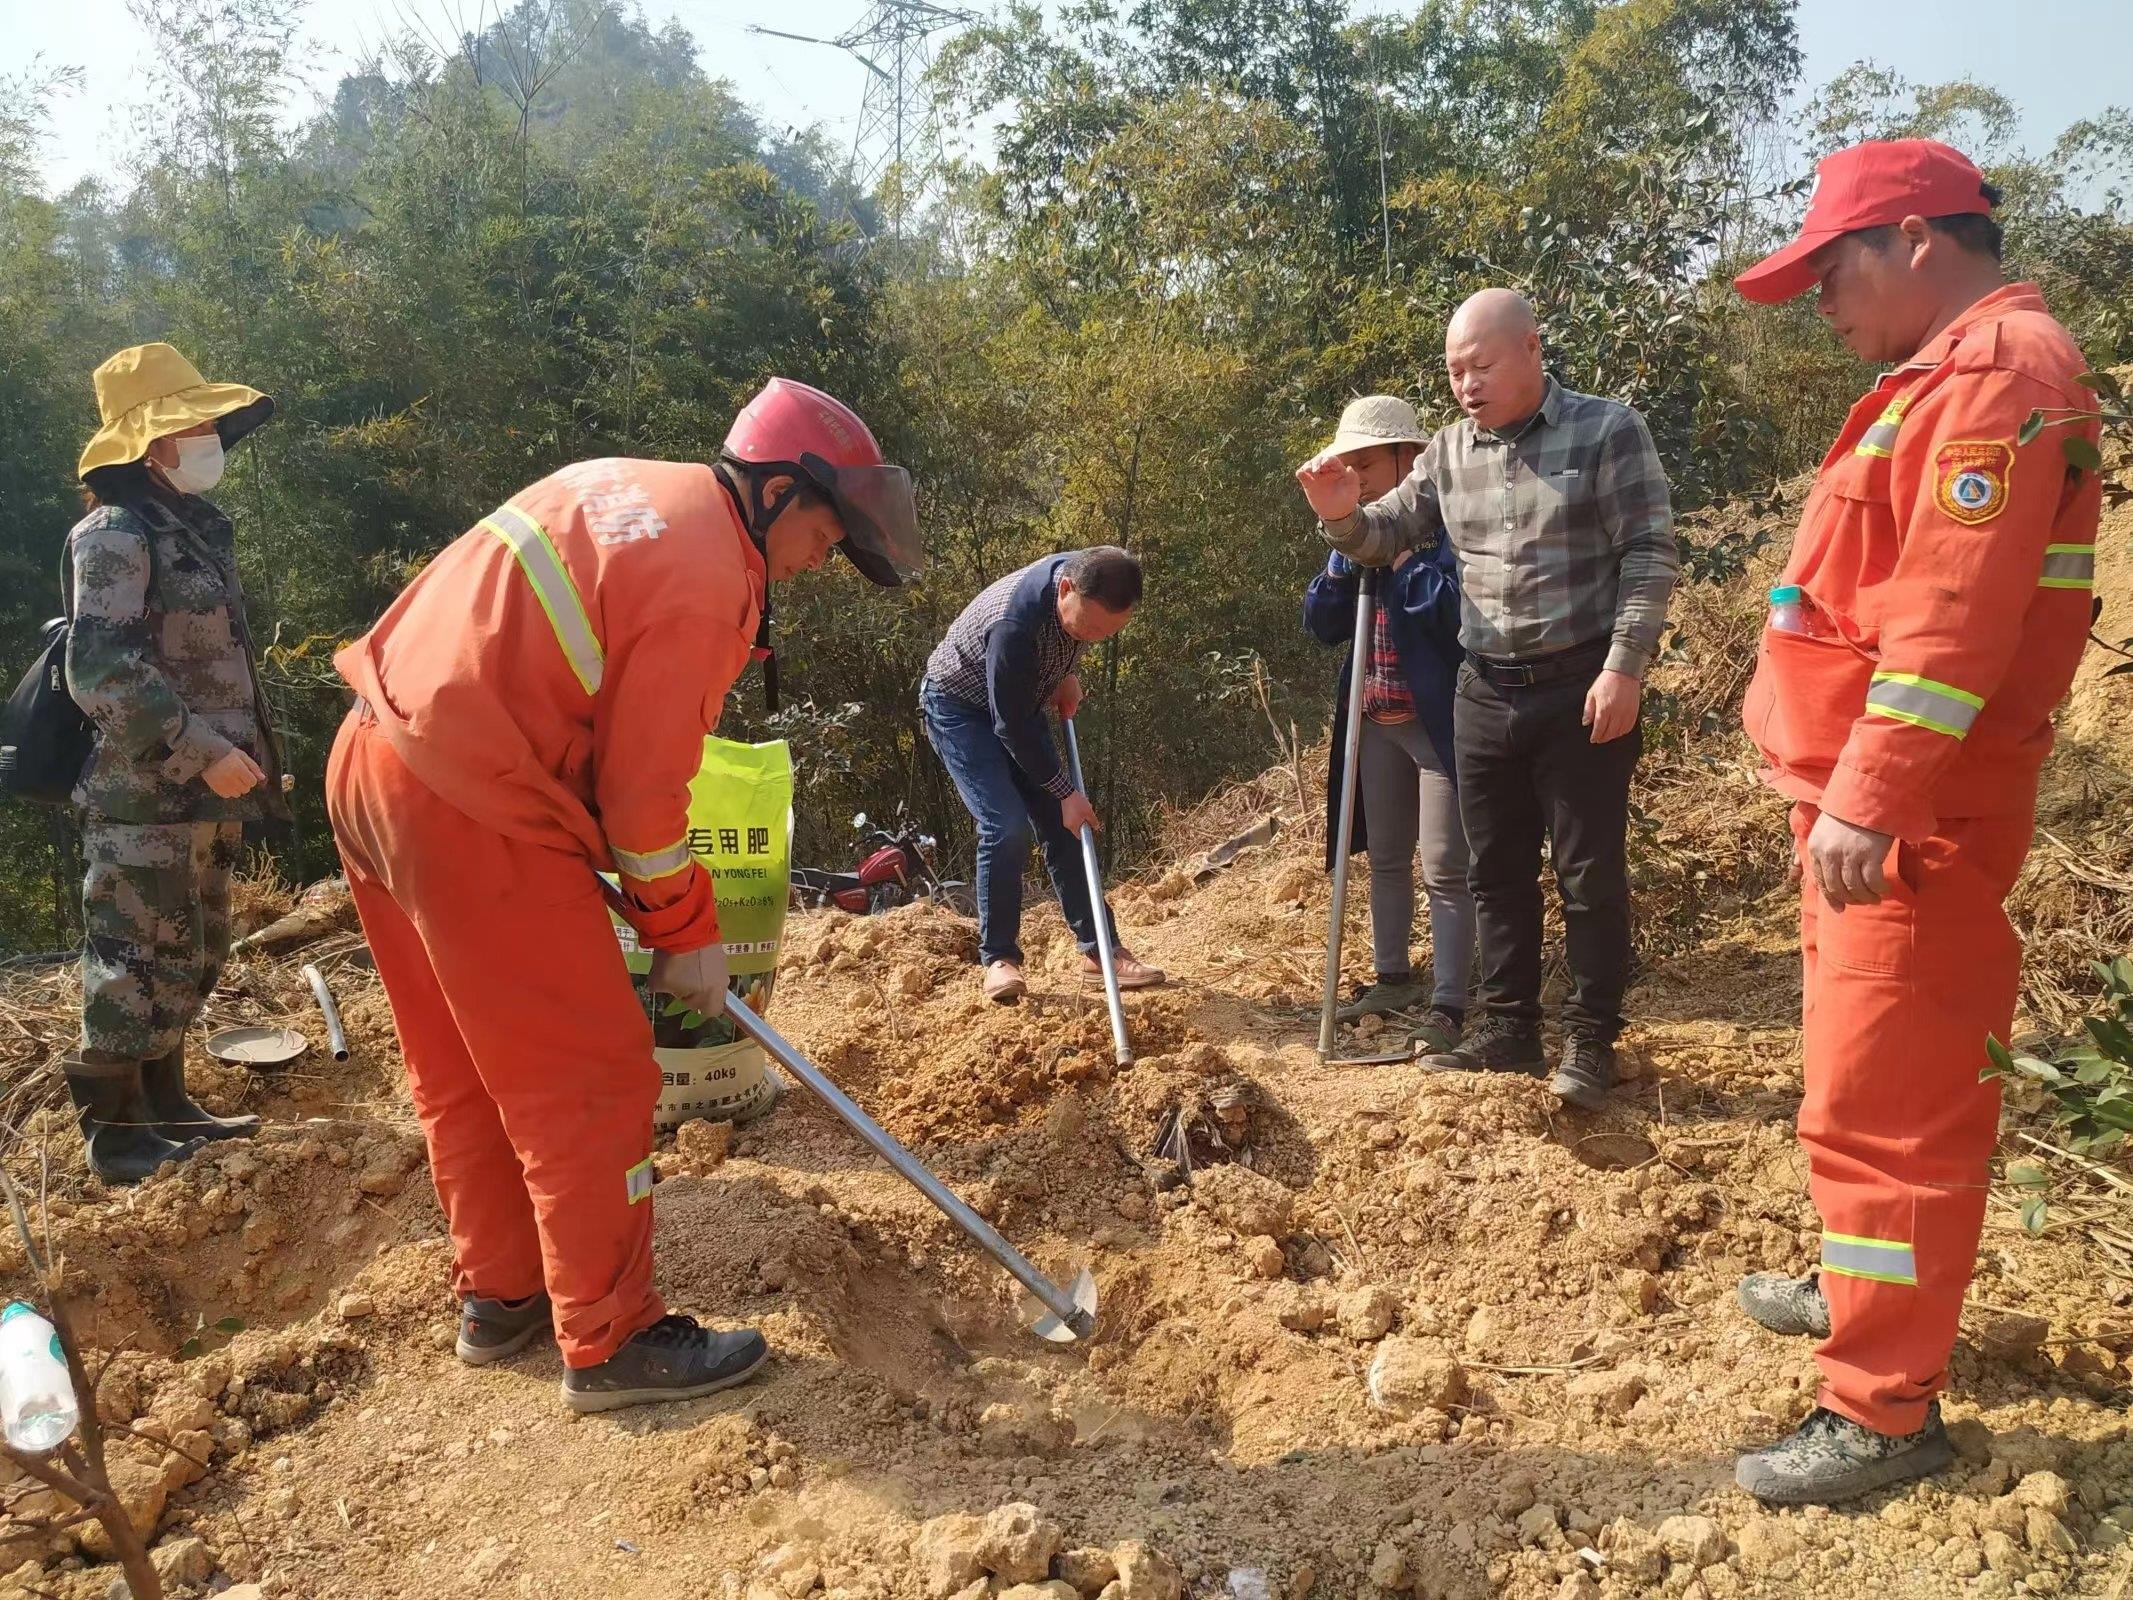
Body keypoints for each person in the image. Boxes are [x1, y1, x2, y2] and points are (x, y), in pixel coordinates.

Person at [326, 379, 920, 1413]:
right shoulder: (706, 575)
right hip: (473, 801)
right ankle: (613, 1338)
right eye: (826, 535)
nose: (822, 560)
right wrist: (688, 932)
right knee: (595, 1071)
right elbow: (644, 803)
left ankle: (503, 1295)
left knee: (465, 1071)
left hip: (374, 762)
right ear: (779, 491)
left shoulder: (630, 491)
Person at [1724, 139, 2101, 1505]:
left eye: (1835, 271)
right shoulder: (1951, 376)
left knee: (1887, 1109)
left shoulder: (1995, 380)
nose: (1822, 301)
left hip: (1910, 825)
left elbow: (1947, 625)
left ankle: (1883, 1415)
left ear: (1919, 246)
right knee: (1853, 1086)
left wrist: (1871, 798)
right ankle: (1855, 1293)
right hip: (1871, 816)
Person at [1294, 290, 1679, 1109]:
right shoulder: (1444, 452)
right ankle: (1506, 1029)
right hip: (1483, 691)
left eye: (1481, 365)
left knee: (1586, 873)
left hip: (1581, 686)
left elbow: (1648, 551)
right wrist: (1338, 517)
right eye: (1453, 370)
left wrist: (1626, 666)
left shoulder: (1606, 431)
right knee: (1494, 871)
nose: (1466, 383)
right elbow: (1383, 533)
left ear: (1533, 350)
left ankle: (1590, 1039)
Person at [63, 343, 282, 1185]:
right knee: (132, 959)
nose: (207, 436)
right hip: (146, 791)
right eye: (191, 423)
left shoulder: (184, 524)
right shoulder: (114, 532)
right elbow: (102, 669)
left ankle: (167, 1108)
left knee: (190, 950)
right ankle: (116, 1141)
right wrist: (201, 749)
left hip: (205, 789)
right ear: (151, 444)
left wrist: (240, 756)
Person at [1301, 395, 1473, 1054]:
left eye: (1367, 464)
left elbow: (1450, 616)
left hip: (1434, 726)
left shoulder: (1444, 525)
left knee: (1445, 867)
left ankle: (1451, 1001)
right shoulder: (1353, 532)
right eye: (1348, 465)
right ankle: (1392, 975)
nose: (1359, 478)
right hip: (1374, 719)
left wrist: (1397, 559)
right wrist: (1347, 555)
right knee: (1386, 859)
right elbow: (1318, 623)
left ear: (1410, 457)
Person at [921, 547, 1165, 1003]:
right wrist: (1064, 791)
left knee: (1064, 824)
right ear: (1066, 590)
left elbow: (1064, 641)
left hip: (1020, 700)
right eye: (1088, 630)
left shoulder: (1089, 574)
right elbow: (1008, 725)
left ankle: (1100, 952)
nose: (1092, 638)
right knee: (1006, 825)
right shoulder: (1013, 623)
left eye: (1104, 634)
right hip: (959, 708)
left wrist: (1065, 673)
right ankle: (999, 959)